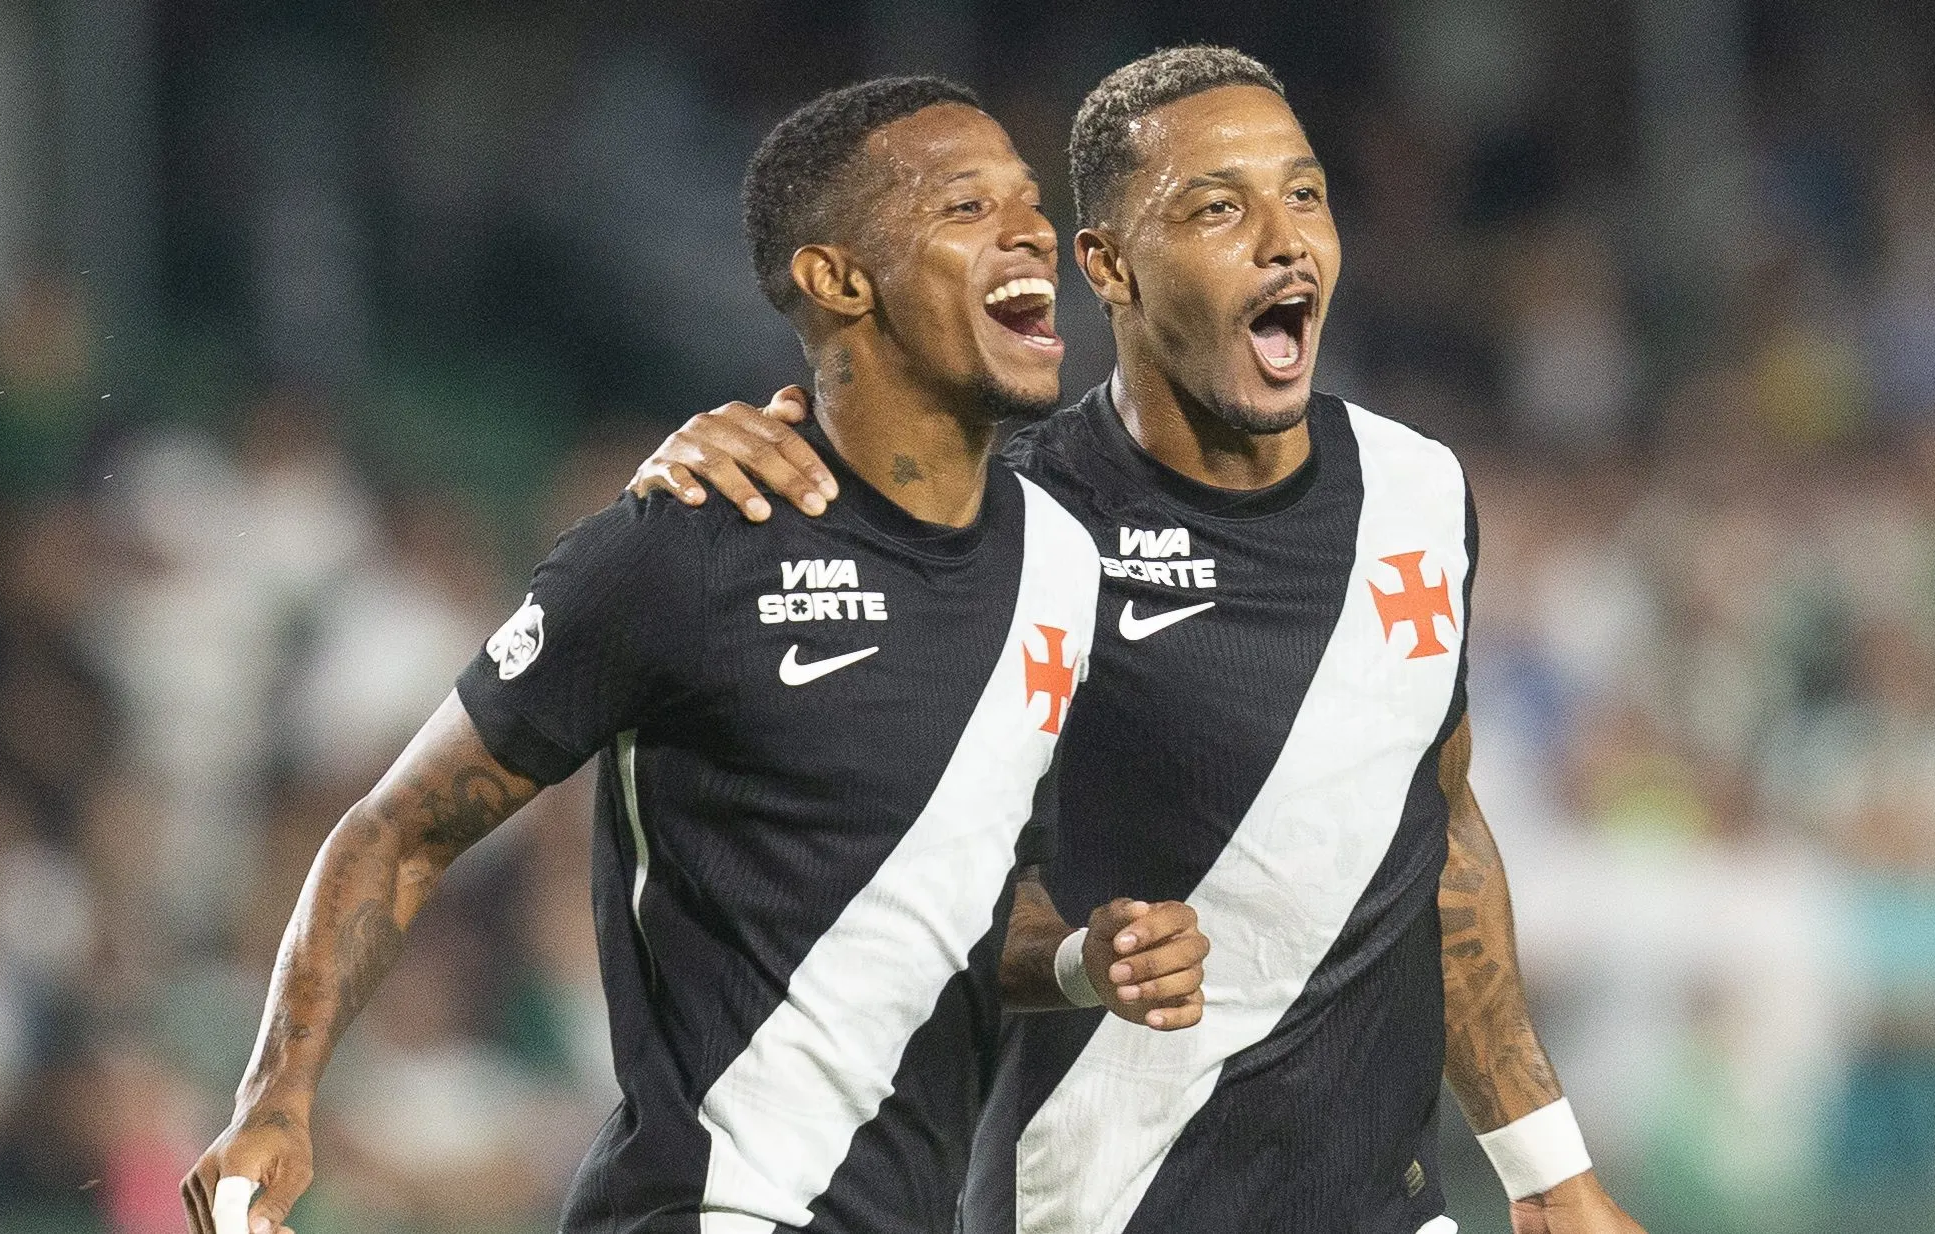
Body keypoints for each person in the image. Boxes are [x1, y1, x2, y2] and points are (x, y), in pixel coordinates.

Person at [629, 48, 1646, 1234]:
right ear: (1105, 265)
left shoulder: (1419, 490)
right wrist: (703, 469)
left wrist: (1547, 1168)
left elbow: (1441, 829)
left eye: (1304, 194)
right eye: (1219, 208)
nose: (1284, 239)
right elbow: (878, 881)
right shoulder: (1007, 524)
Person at [180, 77, 1210, 1234]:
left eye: (1030, 202)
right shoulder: (687, 549)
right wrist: (276, 1096)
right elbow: (399, 829)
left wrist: (1081, 957)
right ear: (835, 279)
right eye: (967, 207)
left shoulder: (1065, 565)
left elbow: (954, 902)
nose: (1032, 231)